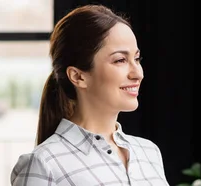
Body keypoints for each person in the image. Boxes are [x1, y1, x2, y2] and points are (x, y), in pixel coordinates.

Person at [10, 5, 168, 186]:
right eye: (120, 60)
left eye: (137, 59)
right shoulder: (44, 164)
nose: (137, 73)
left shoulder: (149, 152)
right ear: (78, 76)